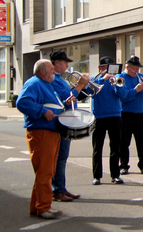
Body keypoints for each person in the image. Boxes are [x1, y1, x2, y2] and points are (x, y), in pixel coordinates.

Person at [16, 59, 76, 219]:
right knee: (45, 171)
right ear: (42, 71)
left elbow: (53, 105)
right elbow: (22, 102)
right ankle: (43, 207)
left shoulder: (46, 84)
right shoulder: (34, 83)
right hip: (42, 131)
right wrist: (42, 111)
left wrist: (65, 103)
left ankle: (37, 206)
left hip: (51, 131)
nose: (53, 72)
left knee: (46, 171)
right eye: (51, 69)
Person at [49, 50, 89, 203]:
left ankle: (61, 188)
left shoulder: (61, 79)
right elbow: (65, 99)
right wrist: (80, 85)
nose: (67, 66)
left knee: (62, 157)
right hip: (60, 121)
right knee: (59, 157)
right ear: (57, 63)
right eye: (65, 63)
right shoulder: (53, 79)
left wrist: (82, 87)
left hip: (66, 120)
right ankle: (57, 190)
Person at [91, 57, 129, 185]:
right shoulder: (94, 80)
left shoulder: (116, 79)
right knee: (97, 148)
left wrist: (116, 84)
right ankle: (97, 176)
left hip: (115, 116)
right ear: (100, 68)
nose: (107, 70)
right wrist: (103, 79)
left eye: (109, 68)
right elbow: (91, 91)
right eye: (104, 68)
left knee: (115, 147)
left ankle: (115, 175)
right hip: (99, 117)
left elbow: (123, 96)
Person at [116, 55, 143, 175]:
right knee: (124, 143)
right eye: (134, 69)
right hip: (125, 114)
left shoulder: (140, 76)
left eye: (138, 69)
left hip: (140, 114)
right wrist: (136, 90)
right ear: (127, 67)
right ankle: (123, 165)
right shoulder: (120, 78)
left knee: (142, 142)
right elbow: (122, 96)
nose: (136, 71)